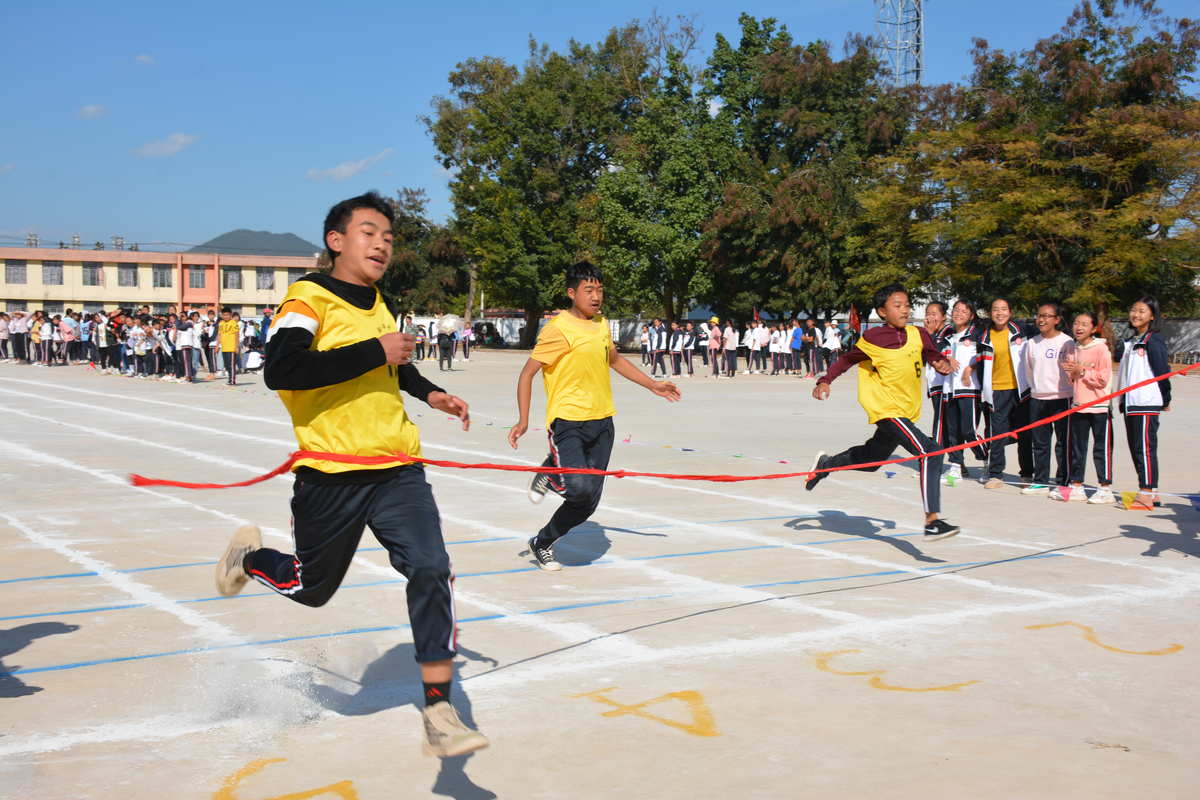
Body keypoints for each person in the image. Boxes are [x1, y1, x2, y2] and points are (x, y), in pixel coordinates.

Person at [216, 191, 487, 757]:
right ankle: (247, 558)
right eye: (370, 233)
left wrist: (433, 392)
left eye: (389, 237)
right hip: (331, 475)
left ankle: (439, 708)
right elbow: (283, 368)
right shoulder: (307, 298)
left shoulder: (378, 302)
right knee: (312, 589)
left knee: (432, 567)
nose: (383, 244)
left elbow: (393, 363)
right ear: (336, 241)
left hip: (396, 470)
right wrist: (376, 350)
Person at [509, 261, 681, 570]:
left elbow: (614, 361)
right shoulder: (557, 329)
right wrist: (523, 420)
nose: (596, 296)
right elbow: (526, 374)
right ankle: (552, 469)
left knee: (587, 503)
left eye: (599, 289)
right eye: (589, 290)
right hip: (568, 422)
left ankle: (543, 541)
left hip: (603, 423)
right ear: (571, 293)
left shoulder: (601, 324)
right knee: (579, 487)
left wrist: (653, 385)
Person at [807, 284, 961, 540]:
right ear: (882, 312)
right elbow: (846, 360)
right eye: (897, 305)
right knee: (931, 453)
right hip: (886, 409)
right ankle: (932, 520)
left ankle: (826, 465)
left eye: (907, 305)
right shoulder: (873, 338)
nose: (905, 310)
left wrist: (941, 362)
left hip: (906, 410)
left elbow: (932, 354)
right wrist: (825, 380)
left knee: (872, 460)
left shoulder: (918, 333)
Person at [965, 298, 1033, 489]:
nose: (1000, 313)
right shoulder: (983, 336)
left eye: (1004, 309)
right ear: (990, 313)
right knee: (997, 434)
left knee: (1024, 433)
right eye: (996, 309)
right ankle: (996, 475)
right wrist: (970, 368)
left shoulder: (1022, 332)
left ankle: (1027, 474)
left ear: (1010, 312)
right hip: (996, 390)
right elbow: (979, 362)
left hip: (1021, 390)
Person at [1114, 296, 1171, 509]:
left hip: (1145, 402)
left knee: (1145, 448)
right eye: (1133, 310)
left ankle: (1146, 492)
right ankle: (1150, 490)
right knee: (1137, 448)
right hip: (1131, 403)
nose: (1136, 315)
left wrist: (1165, 399)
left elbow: (1161, 373)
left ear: (1152, 316)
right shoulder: (1132, 341)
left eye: (1142, 311)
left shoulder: (1152, 340)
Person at [1056, 311, 1115, 505]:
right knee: (1077, 448)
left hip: (1099, 406)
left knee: (1101, 448)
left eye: (1084, 324)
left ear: (1093, 328)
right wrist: (1071, 373)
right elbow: (1071, 378)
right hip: (1078, 405)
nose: (1079, 327)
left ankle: (1105, 488)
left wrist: (1082, 371)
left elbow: (1103, 378)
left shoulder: (1101, 349)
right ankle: (1077, 486)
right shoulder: (1072, 348)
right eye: (1076, 323)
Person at [1020, 302, 1073, 496]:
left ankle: (1063, 482)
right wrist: (1036, 390)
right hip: (1038, 398)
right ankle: (1041, 481)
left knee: (1063, 443)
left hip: (1062, 398)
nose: (1041, 319)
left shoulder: (1067, 342)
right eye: (1039, 315)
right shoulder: (1032, 343)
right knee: (1040, 443)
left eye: (1047, 316)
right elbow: (1028, 371)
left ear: (1057, 320)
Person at [942, 300, 988, 480]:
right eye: (956, 310)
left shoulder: (977, 334)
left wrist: (971, 367)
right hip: (950, 389)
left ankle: (986, 460)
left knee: (969, 430)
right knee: (952, 431)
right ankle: (956, 466)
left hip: (969, 389)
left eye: (964, 311)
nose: (958, 313)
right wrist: (947, 360)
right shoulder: (948, 336)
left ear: (971, 315)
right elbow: (939, 353)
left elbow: (985, 354)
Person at [922, 302, 953, 457]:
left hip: (945, 385)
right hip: (935, 385)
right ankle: (956, 462)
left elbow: (938, 355)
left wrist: (930, 335)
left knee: (941, 424)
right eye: (928, 313)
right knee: (945, 425)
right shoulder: (928, 334)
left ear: (943, 317)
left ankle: (935, 460)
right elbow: (922, 358)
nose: (930, 316)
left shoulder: (949, 333)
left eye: (934, 313)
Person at [218, 307, 240, 385]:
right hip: (224, 347)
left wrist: (237, 346)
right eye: (224, 315)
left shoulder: (234, 323)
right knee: (227, 365)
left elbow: (237, 335)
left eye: (227, 315)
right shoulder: (221, 323)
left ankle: (232, 381)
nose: (225, 316)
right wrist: (217, 345)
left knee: (231, 365)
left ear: (230, 315)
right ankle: (230, 379)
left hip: (231, 347)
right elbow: (219, 334)